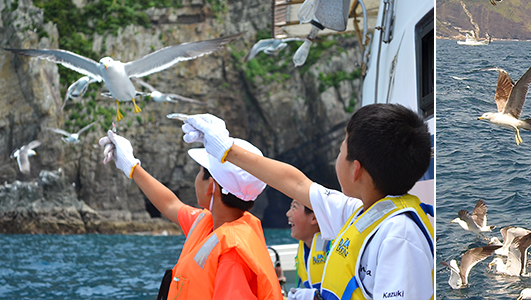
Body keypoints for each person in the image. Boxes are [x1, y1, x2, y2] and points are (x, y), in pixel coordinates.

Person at [180, 103, 434, 300]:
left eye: (341, 150)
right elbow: (297, 184)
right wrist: (225, 149)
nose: (338, 156)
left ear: (355, 170)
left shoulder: (399, 236)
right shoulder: (361, 212)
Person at [99, 132, 283, 300]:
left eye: (200, 171)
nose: (196, 177)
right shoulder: (210, 224)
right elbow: (170, 204)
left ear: (211, 186)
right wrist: (131, 166)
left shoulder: (232, 255)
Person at [286, 199, 326, 291]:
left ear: (314, 218)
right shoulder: (304, 247)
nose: (288, 213)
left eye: (294, 207)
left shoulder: (333, 248)